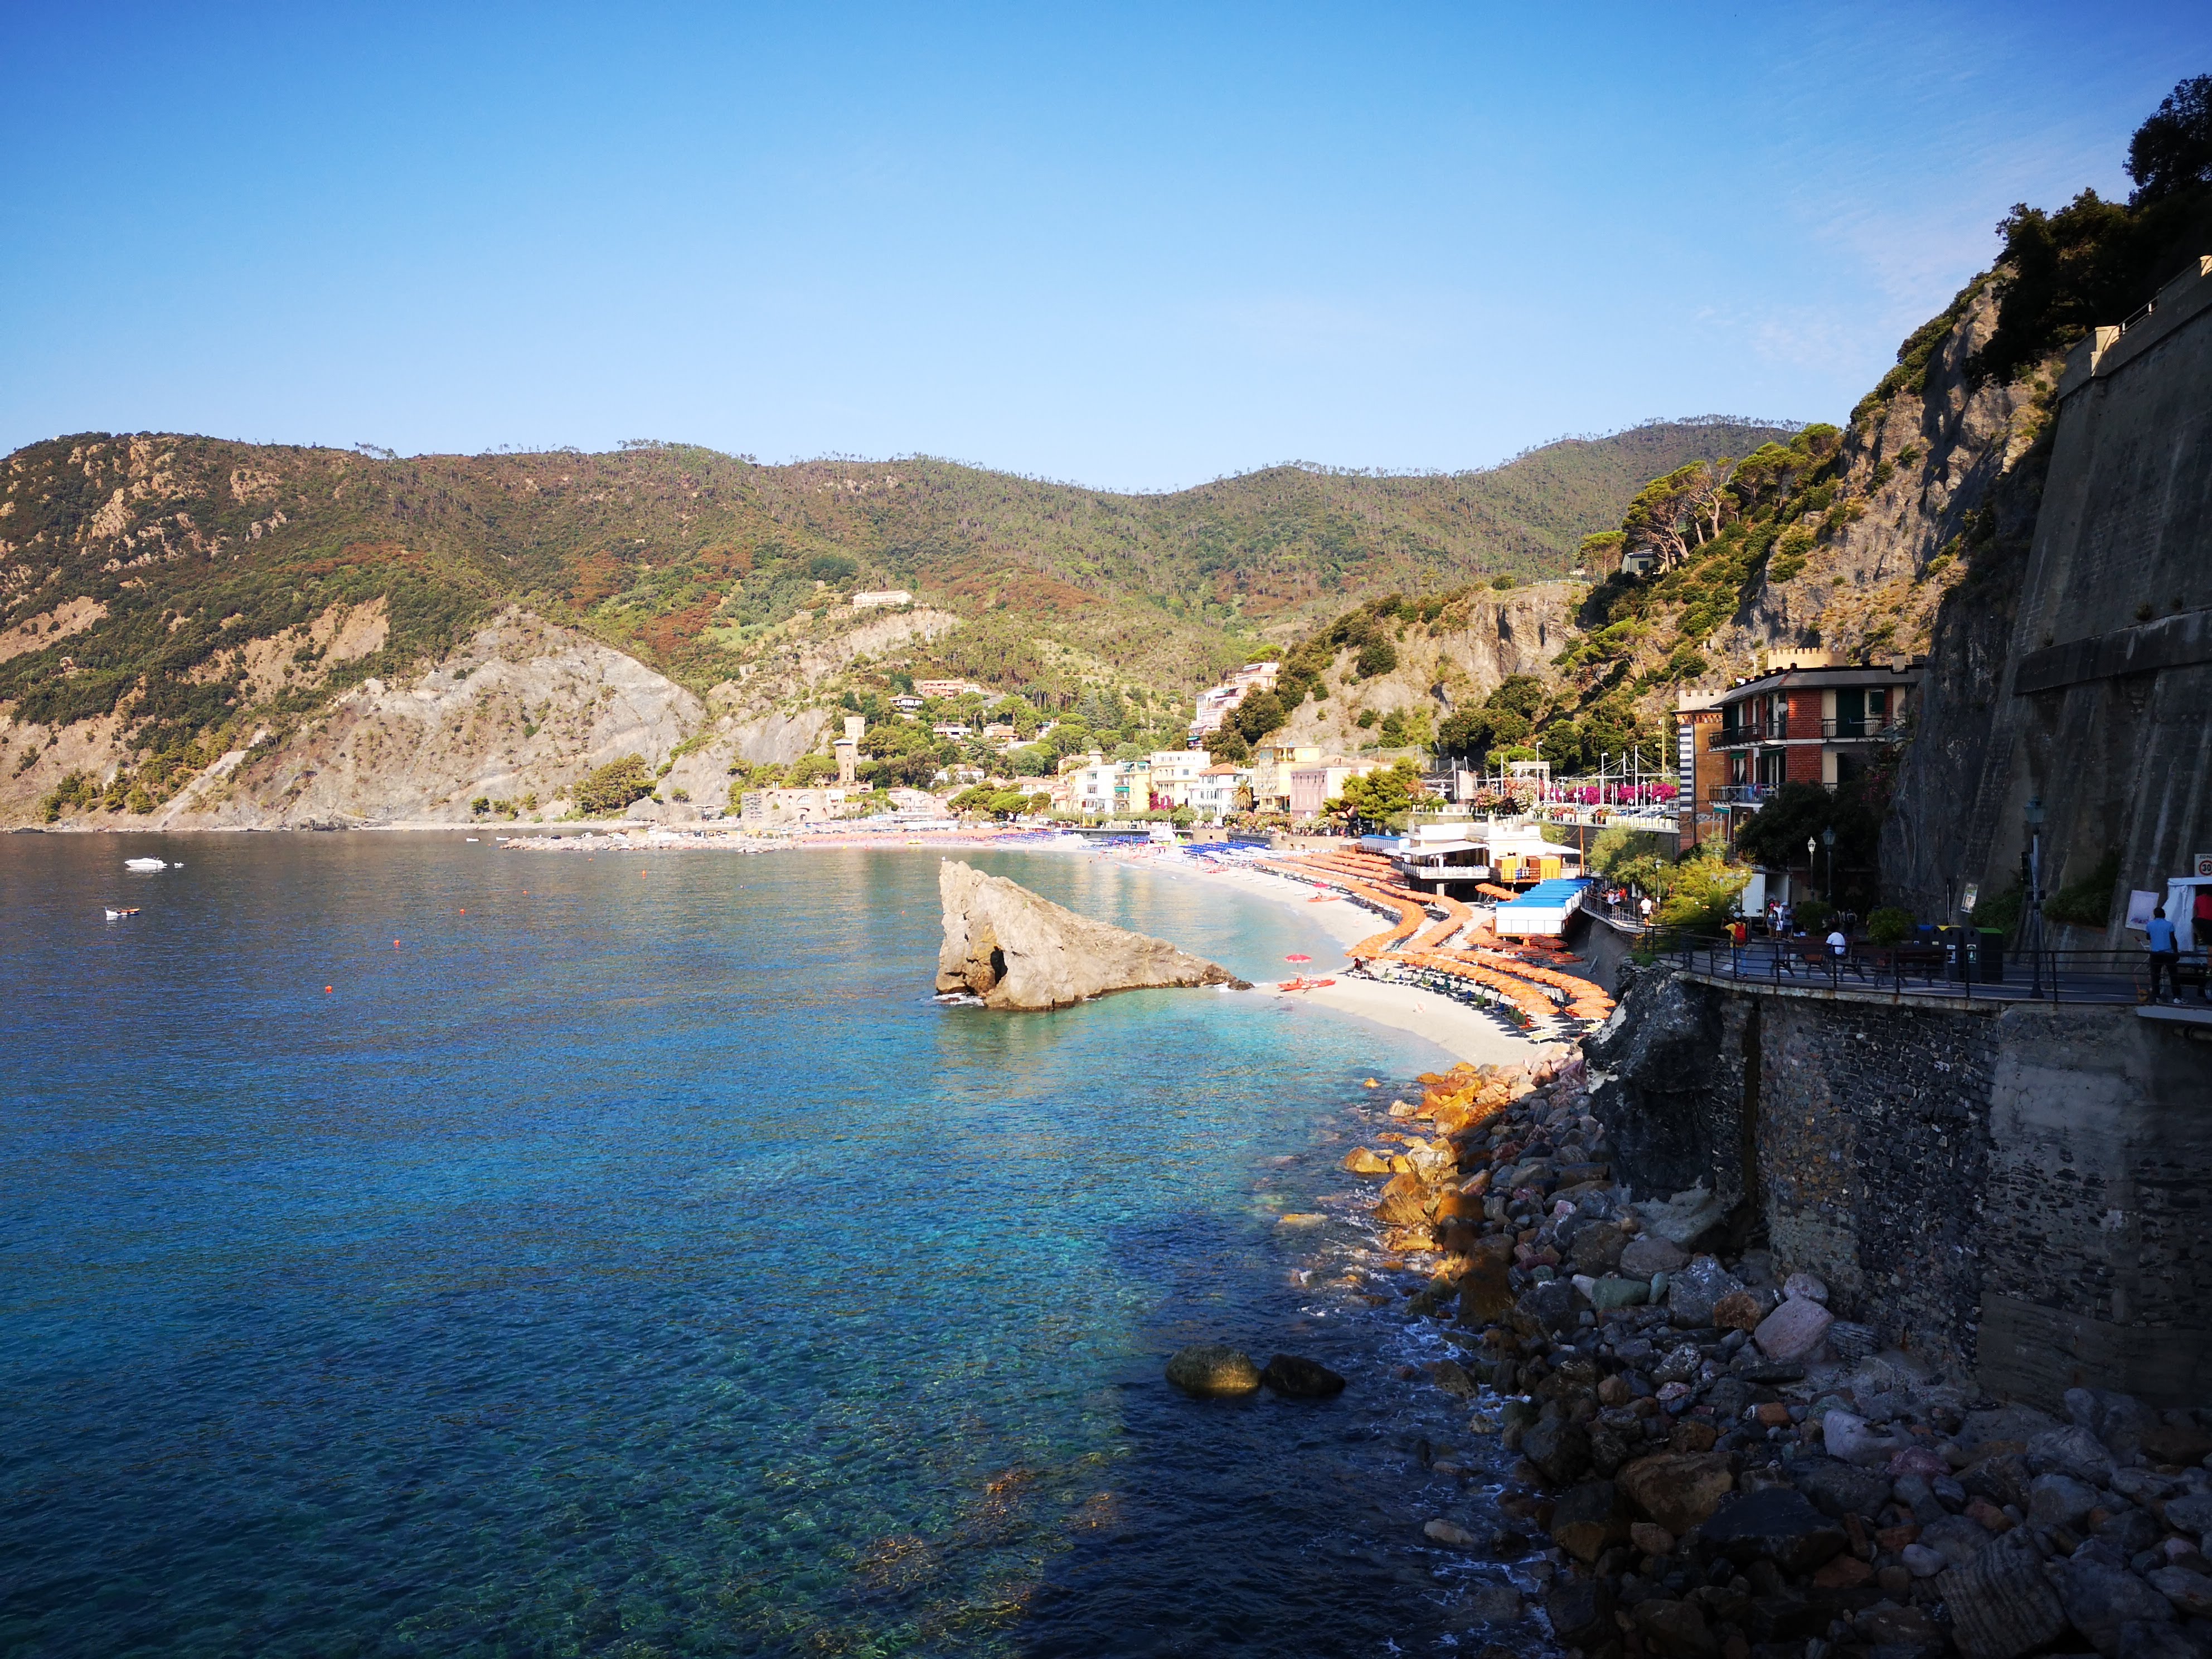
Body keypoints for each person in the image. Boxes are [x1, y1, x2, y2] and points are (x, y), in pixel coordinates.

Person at [2146, 903, 2181, 1003]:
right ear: (2164, 914)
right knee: (2173, 975)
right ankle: (2177, 998)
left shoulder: (2149, 925)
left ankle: (2157, 997)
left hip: (2155, 953)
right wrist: (2176, 952)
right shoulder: (2169, 925)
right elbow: (2173, 939)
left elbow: (2148, 937)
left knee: (2155, 976)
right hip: (2168, 953)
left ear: (2155, 915)